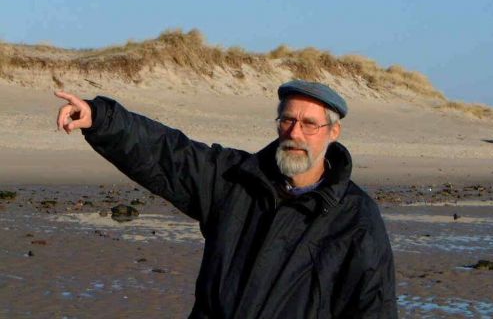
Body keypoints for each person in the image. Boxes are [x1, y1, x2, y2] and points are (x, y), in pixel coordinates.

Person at [55, 79, 397, 318]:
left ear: (332, 132)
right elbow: (169, 155)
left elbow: (372, 305)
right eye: (287, 120)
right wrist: (103, 120)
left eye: (309, 124)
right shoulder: (235, 179)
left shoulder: (355, 217)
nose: (295, 133)